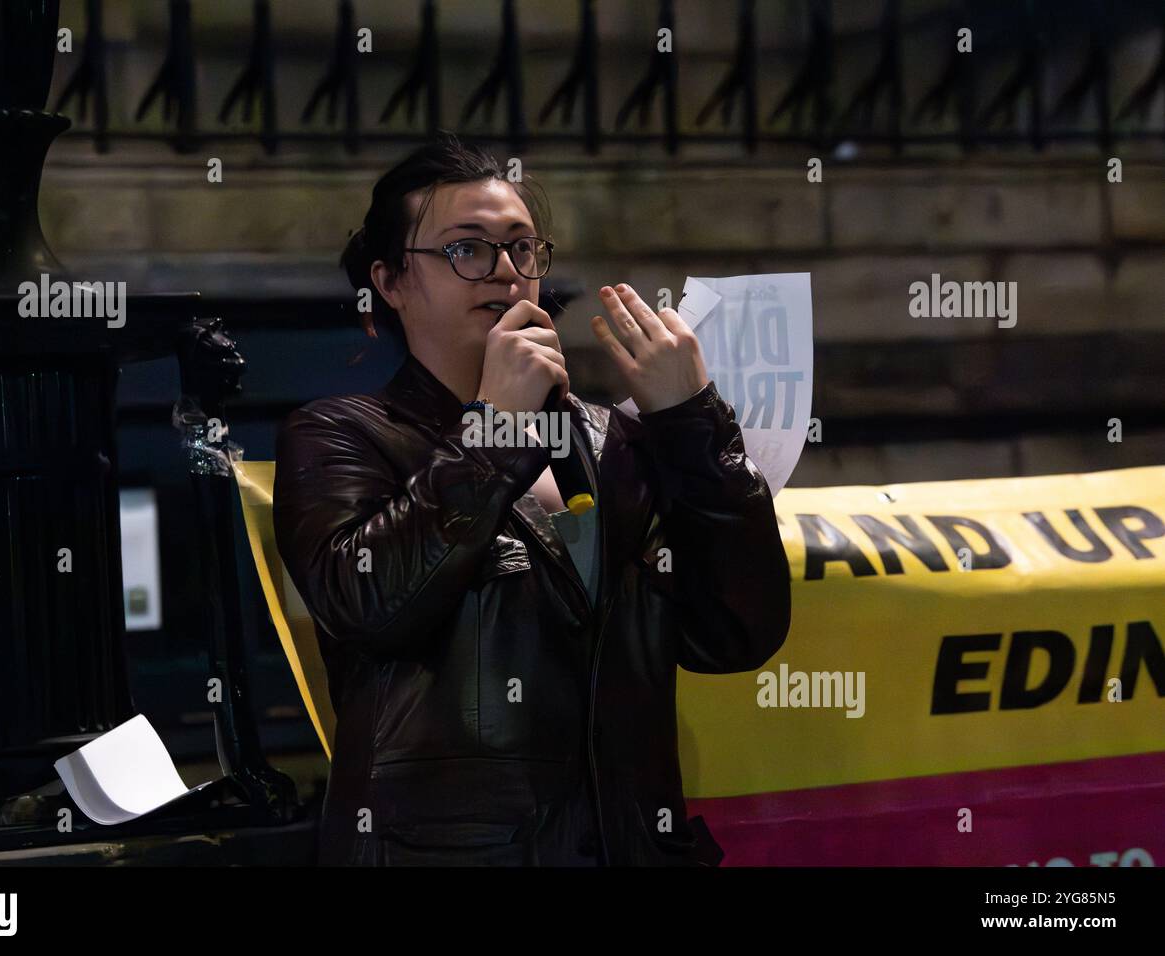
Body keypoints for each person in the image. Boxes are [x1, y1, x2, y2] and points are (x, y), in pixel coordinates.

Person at [272, 131, 791, 866]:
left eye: (522, 248)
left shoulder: (616, 441)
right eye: (468, 250)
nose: (505, 274)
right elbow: (370, 607)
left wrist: (694, 424)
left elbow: (740, 633)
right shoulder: (340, 435)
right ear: (390, 282)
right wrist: (492, 430)